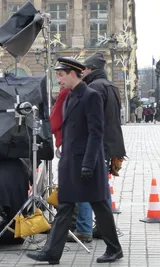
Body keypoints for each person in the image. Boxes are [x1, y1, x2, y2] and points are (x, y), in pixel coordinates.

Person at [26, 58, 123, 264]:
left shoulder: (91, 96)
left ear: (73, 73)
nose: (58, 79)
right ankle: (52, 252)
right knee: (65, 207)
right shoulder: (70, 97)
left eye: (61, 75)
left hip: (87, 164)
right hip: (70, 163)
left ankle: (114, 249)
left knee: (100, 207)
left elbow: (96, 133)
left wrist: (89, 163)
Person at [65, 52, 127, 242]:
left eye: (84, 69)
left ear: (91, 70)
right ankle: (103, 226)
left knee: (86, 186)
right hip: (111, 144)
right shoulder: (111, 87)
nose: (82, 72)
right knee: (101, 187)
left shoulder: (93, 88)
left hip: (95, 146)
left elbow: (91, 121)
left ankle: (84, 228)